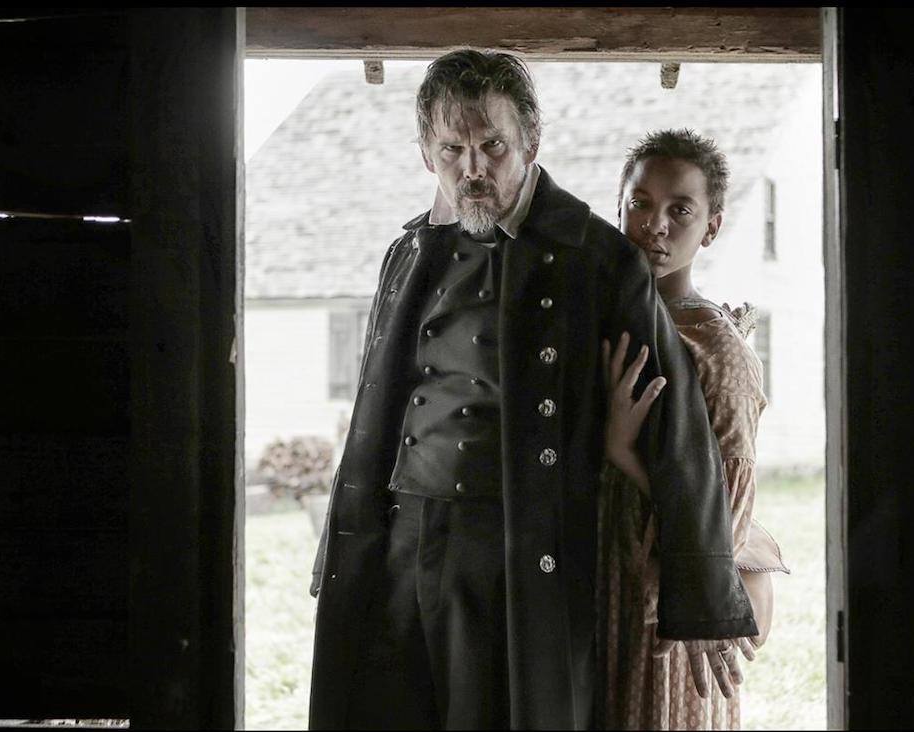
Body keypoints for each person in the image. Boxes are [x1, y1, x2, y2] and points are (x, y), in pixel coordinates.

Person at [308, 52, 756, 730]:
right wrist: (341, 541)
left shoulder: (595, 258)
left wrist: (703, 595)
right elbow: (374, 408)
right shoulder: (408, 251)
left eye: (493, 146)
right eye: (452, 149)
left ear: (532, 144)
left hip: (513, 548)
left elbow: (682, 426)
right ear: (427, 154)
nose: (473, 168)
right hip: (401, 537)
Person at [597, 129, 790, 730]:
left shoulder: (717, 350)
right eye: (641, 202)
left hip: (669, 601)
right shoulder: (598, 322)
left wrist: (624, 451)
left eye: (680, 210)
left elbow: (725, 513)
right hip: (596, 589)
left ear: (711, 227)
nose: (655, 224)